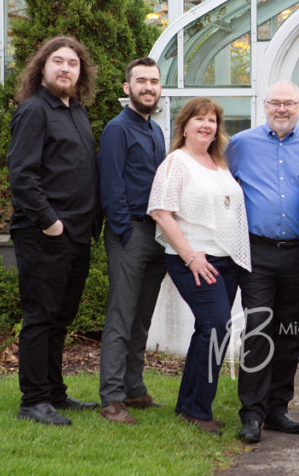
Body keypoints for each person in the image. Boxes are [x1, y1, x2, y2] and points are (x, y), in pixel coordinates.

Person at [226, 81, 299, 443]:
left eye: (289, 103)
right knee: (258, 329)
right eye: (275, 103)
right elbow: (223, 186)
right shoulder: (241, 144)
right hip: (257, 251)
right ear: (264, 105)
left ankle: (277, 408)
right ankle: (251, 413)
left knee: (289, 332)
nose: (282, 109)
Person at [8, 35, 101, 425]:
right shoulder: (34, 111)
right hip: (44, 234)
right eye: (57, 61)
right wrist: (51, 223)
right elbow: (23, 176)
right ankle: (33, 400)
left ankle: (54, 393)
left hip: (77, 236)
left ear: (81, 73)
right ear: (42, 68)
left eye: (73, 63)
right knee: (40, 317)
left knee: (60, 318)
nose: (66, 68)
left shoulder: (76, 111)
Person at [148, 97, 250, 434]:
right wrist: (191, 255)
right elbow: (161, 211)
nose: (206, 125)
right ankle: (196, 410)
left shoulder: (217, 162)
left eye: (212, 120)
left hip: (225, 259)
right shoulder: (176, 162)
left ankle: (188, 405)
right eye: (199, 119)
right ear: (185, 125)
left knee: (208, 329)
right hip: (192, 258)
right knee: (217, 327)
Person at [97, 57, 167, 424]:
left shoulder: (155, 131)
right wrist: (125, 233)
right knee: (121, 317)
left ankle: (134, 390)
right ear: (127, 88)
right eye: (141, 81)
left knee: (142, 317)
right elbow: (111, 186)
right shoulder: (116, 129)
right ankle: (111, 398)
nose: (148, 87)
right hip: (130, 234)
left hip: (157, 235)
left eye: (154, 81)